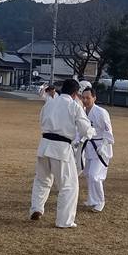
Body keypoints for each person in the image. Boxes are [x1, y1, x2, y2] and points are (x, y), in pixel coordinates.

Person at [30, 78, 94, 227]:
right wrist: (92, 132)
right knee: (68, 185)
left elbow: (41, 121)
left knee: (42, 179)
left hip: (44, 145)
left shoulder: (50, 103)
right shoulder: (74, 106)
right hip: (61, 148)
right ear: (75, 93)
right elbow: (85, 129)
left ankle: (36, 208)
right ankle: (64, 221)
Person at [79, 85, 113, 212]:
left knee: (95, 175)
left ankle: (100, 201)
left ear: (94, 98)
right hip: (88, 147)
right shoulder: (82, 111)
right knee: (88, 174)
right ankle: (92, 199)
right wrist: (77, 142)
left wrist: (104, 146)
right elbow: (80, 129)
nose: (85, 100)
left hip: (100, 148)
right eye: (83, 98)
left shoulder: (101, 112)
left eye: (88, 98)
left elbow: (108, 131)